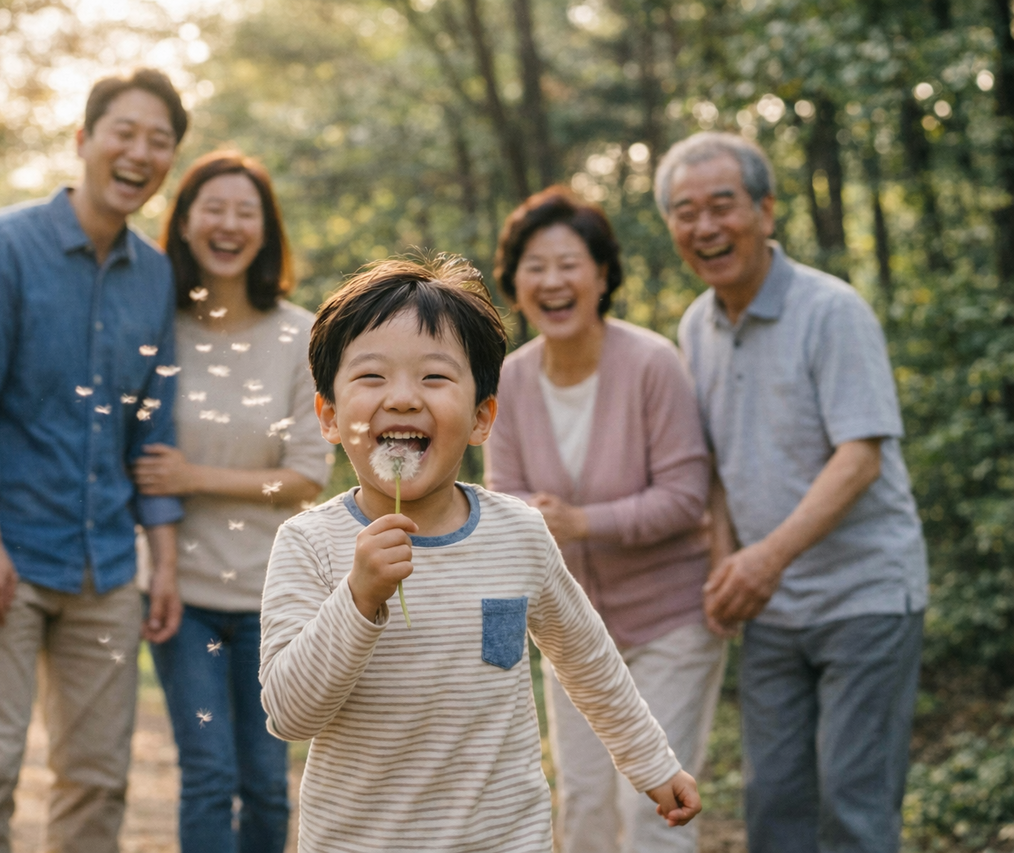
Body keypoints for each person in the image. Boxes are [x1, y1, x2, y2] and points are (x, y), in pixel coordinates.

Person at [258, 255, 701, 852]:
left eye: (435, 377)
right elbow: (289, 714)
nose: (405, 398)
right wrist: (358, 599)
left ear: (482, 418)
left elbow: (588, 661)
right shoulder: (309, 544)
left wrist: (653, 764)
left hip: (505, 839)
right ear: (330, 417)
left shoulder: (520, 533)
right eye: (372, 377)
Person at [0, 69, 188, 853]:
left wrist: (164, 564)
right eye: (125, 132)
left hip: (106, 565)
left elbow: (152, 435)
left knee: (98, 777)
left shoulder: (156, 278)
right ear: (83, 141)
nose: (139, 152)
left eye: (160, 141)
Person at [657, 131, 928, 853]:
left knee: (853, 805)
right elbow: (713, 462)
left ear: (767, 210)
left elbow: (860, 457)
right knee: (773, 805)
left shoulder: (830, 310)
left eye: (723, 204)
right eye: (685, 212)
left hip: (865, 596)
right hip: (772, 606)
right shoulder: (696, 325)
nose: (706, 226)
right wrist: (726, 565)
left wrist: (762, 559)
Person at [484, 186, 723, 853]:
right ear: (516, 282)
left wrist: (584, 521)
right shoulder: (509, 381)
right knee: (584, 803)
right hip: (573, 633)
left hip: (668, 621)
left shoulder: (652, 363)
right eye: (535, 265)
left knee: (652, 803)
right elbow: (502, 509)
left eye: (569, 263)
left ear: (602, 275)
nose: (553, 281)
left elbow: (686, 495)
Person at [131, 151, 332, 853]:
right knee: (210, 774)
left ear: (265, 230)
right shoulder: (157, 332)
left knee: (268, 783)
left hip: (272, 596)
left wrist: (194, 477)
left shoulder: (298, 334)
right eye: (212, 208)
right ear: (183, 224)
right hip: (181, 594)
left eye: (246, 211)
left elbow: (309, 474)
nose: (229, 224)